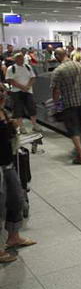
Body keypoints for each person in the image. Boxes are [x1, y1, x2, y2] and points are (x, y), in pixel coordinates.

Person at [0, 86, 37, 263]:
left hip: (7, 164)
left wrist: (11, 125)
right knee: (0, 206)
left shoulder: (3, 112)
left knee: (16, 199)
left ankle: (13, 236)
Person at [50, 48, 81, 164]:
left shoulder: (59, 70)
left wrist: (56, 105)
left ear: (57, 56)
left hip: (70, 104)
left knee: (73, 130)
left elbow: (56, 91)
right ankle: (79, 150)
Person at [6, 52, 41, 134]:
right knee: (18, 110)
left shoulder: (28, 67)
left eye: (22, 58)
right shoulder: (11, 69)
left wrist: (28, 86)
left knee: (32, 108)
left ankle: (35, 125)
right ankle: (21, 127)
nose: (21, 60)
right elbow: (11, 80)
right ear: (15, 59)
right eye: (19, 58)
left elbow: (32, 77)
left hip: (28, 92)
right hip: (16, 92)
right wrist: (22, 87)